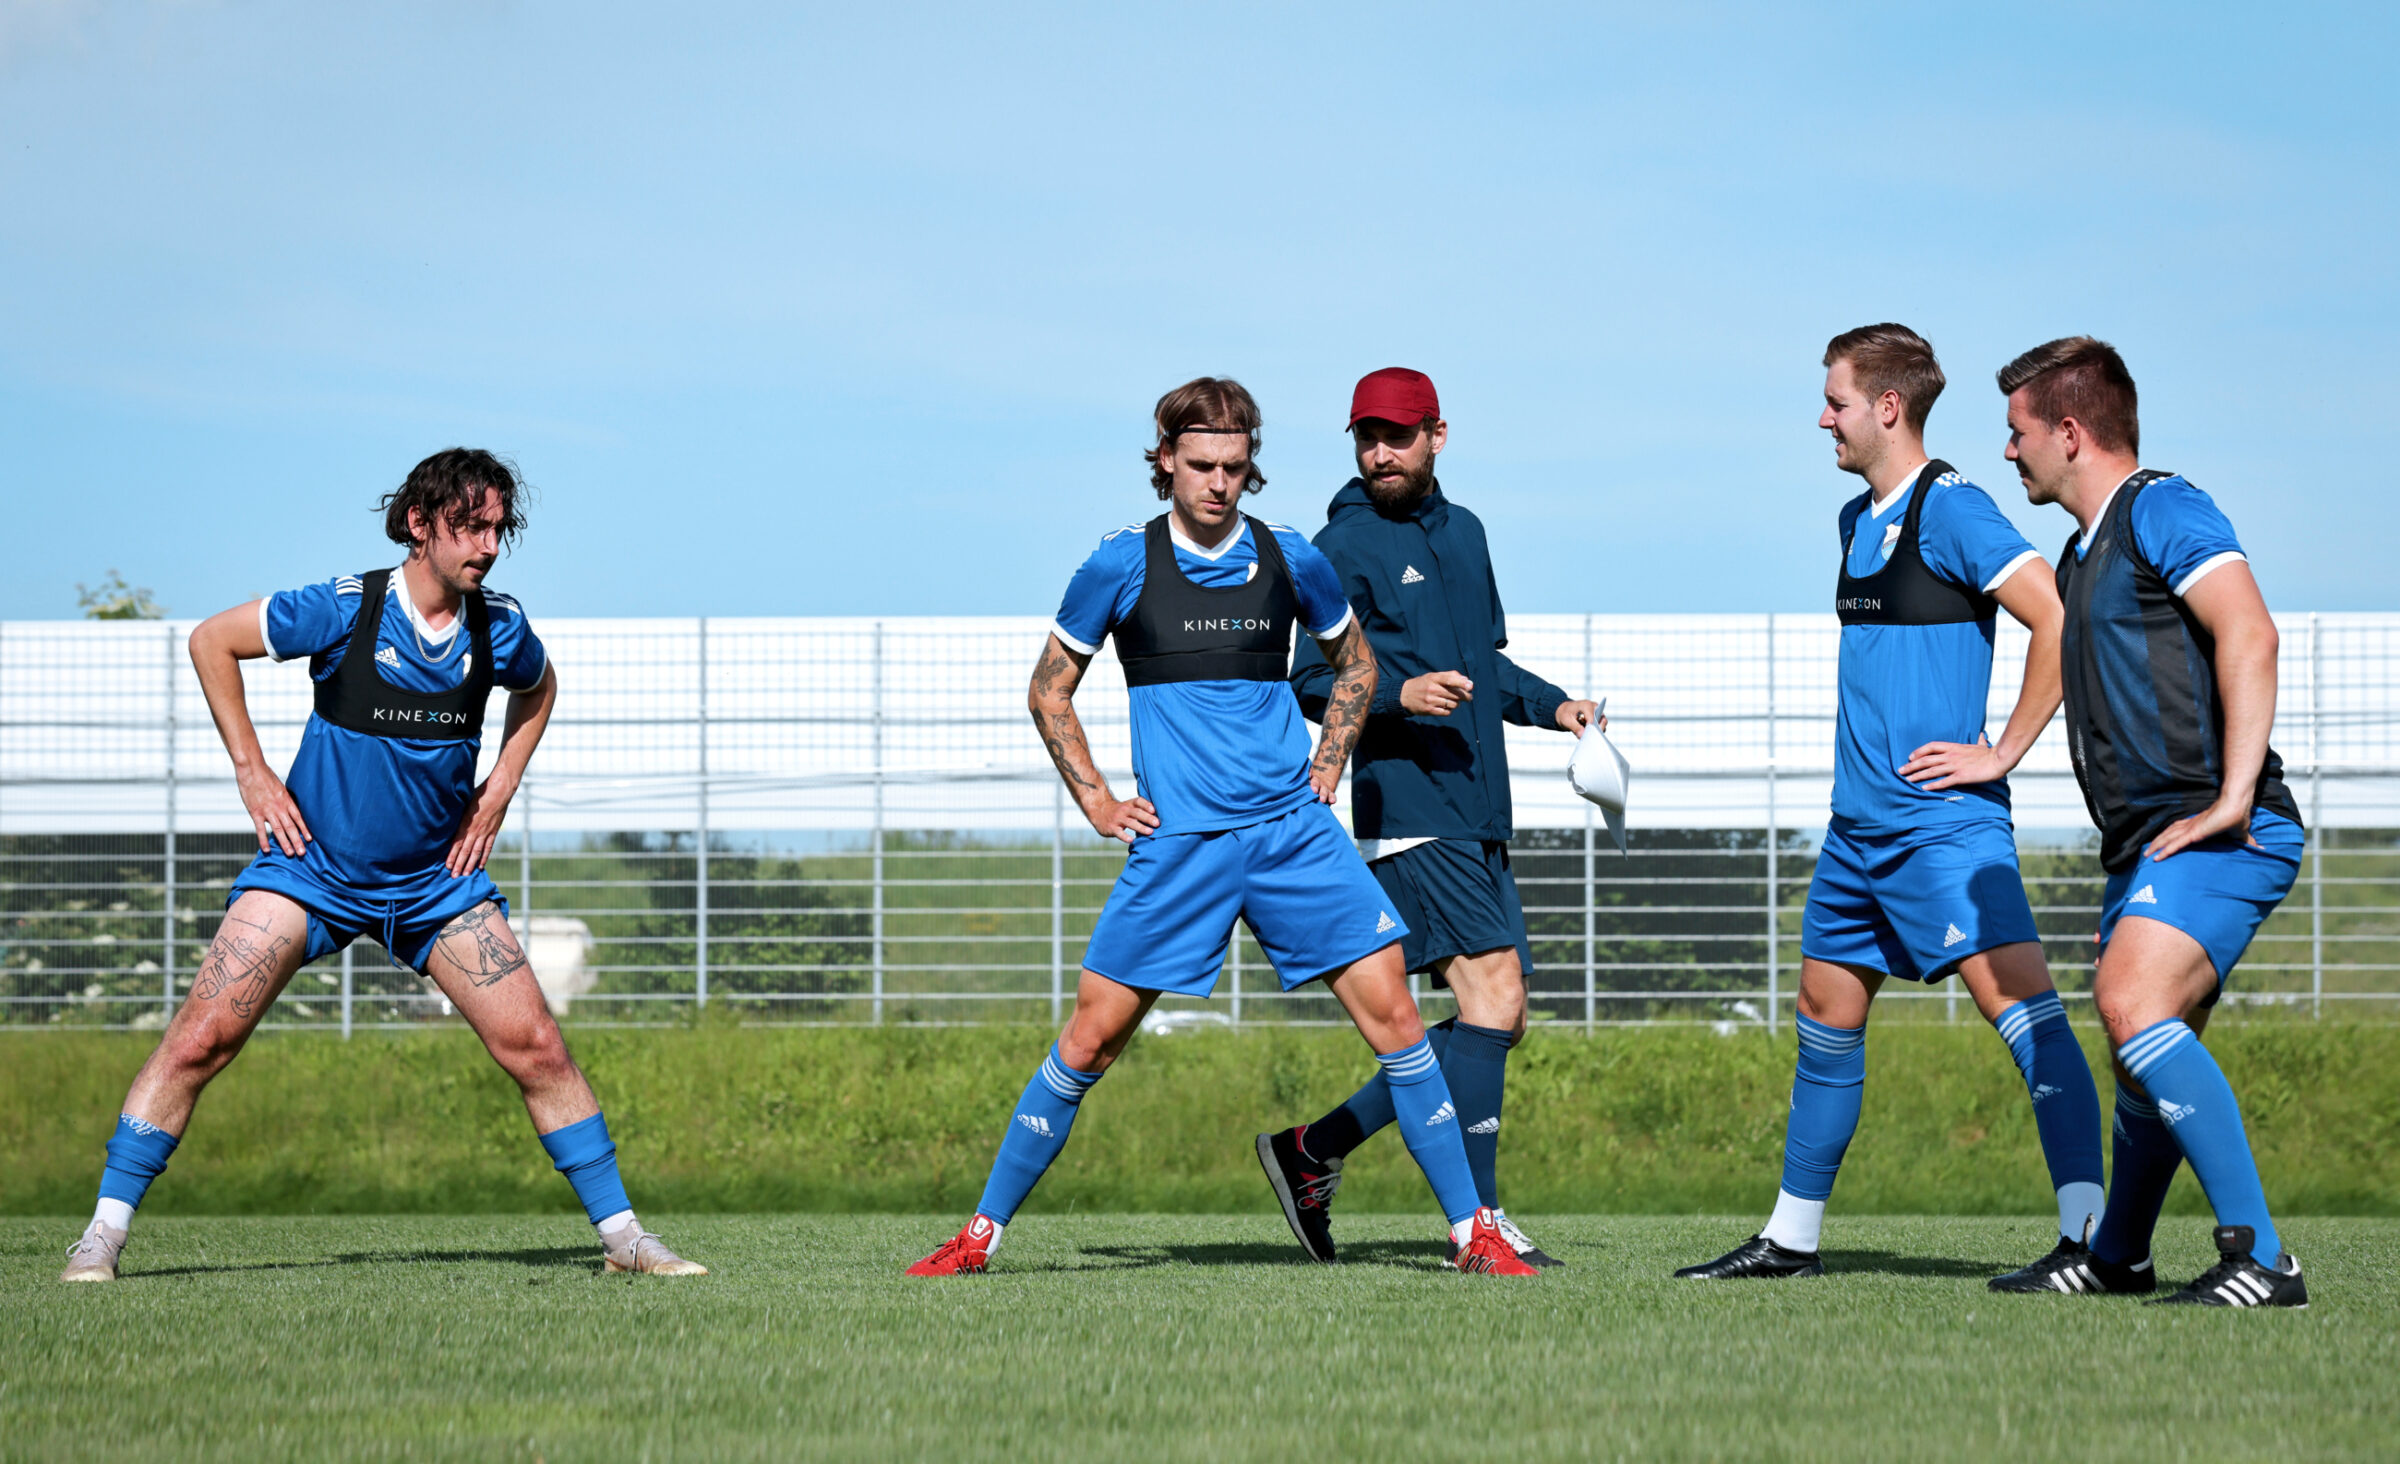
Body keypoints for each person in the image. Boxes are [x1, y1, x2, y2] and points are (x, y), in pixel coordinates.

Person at [906, 377, 1536, 1278]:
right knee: (1089, 1041)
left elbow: (1354, 665)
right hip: (1181, 847)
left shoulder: (1292, 557)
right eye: (1200, 464)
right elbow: (1050, 688)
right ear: (1164, 462)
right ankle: (978, 1238)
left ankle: (1473, 1233)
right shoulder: (1118, 565)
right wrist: (1094, 799)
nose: (1218, 483)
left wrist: (1330, 761)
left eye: (1235, 467)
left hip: (1292, 836)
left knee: (1398, 1018)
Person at [59, 450, 705, 1283]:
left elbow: (538, 689)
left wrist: (500, 787)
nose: (490, 544)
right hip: (310, 874)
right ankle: (101, 1239)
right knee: (200, 1039)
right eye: (472, 525)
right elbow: (210, 641)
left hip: (435, 888)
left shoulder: (497, 626)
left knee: (538, 1047)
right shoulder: (344, 609)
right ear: (417, 523)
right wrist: (251, 770)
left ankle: (627, 1243)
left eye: (499, 527)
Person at [1677, 324, 2106, 1287]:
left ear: (1887, 406)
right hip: (1855, 832)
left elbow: (2055, 615)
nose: (1821, 416)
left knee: (2023, 1010)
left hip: (1943, 829)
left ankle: (2092, 1239)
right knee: (1823, 1012)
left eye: (1834, 400)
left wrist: (2000, 753)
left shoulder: (1953, 507)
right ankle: (1790, 1239)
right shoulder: (1850, 521)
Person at [1252, 367, 1598, 1268]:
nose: (1380, 452)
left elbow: (1484, 667)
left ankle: (1313, 1150)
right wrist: (1401, 693)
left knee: (1502, 1017)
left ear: (1437, 436)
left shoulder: (1469, 532)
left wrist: (1556, 706)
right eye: (1366, 436)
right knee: (1492, 996)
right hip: (1408, 808)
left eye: (1397, 435)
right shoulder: (1342, 543)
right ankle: (1476, 1226)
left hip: (1481, 806)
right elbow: (1308, 682)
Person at [1997, 337, 2307, 1306]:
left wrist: (2231, 797)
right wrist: (2000, 751)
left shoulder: (2163, 507)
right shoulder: (2079, 553)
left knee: (2130, 1004)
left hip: (2224, 831)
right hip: (2149, 842)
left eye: (2019, 433)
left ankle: (2261, 1257)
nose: (2010, 453)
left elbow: (2250, 630)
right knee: (2146, 1049)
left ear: (2072, 432)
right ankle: (2121, 1254)